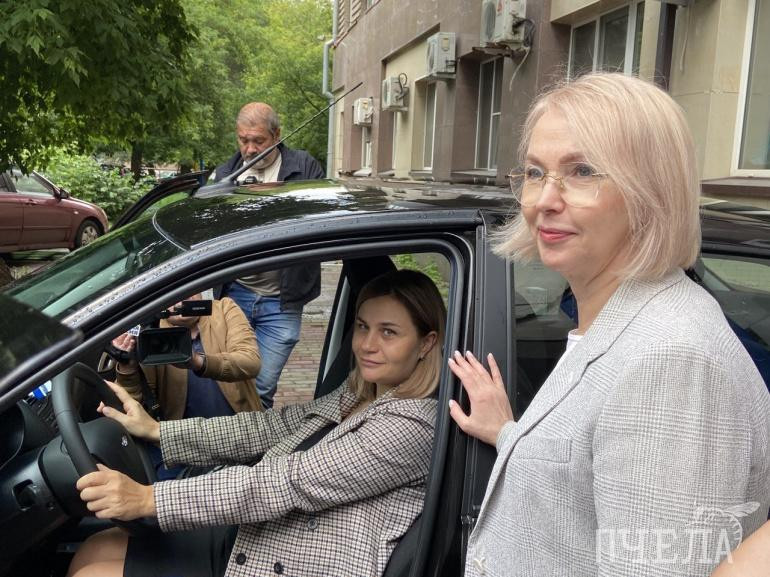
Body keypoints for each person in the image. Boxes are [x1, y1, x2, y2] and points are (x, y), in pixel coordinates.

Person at [448, 73, 770, 576]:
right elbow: (586, 478)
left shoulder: (670, 362)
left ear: (651, 192)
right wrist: (510, 434)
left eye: (582, 171)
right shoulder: (615, 319)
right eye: (534, 172)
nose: (543, 200)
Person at [67, 269, 445, 577]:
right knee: (94, 548)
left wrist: (148, 499)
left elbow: (287, 481)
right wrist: (156, 430)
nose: (366, 345)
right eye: (362, 327)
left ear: (427, 343)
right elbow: (270, 426)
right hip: (268, 532)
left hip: (300, 560)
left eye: (388, 332)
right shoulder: (360, 392)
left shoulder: (411, 424)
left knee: (94, 574)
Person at [214, 102, 326, 409]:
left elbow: (315, 220)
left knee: (261, 388)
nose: (250, 149)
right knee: (229, 387)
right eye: (243, 140)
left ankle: (253, 439)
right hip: (235, 295)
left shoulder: (305, 168)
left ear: (277, 135)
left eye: (258, 141)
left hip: (283, 300)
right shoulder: (226, 174)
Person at [112, 293, 263, 479]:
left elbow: (251, 362)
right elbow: (133, 404)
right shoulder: (150, 329)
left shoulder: (223, 309)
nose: (182, 298)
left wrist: (198, 362)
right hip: (181, 445)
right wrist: (127, 365)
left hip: (239, 434)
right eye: (171, 293)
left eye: (186, 291)